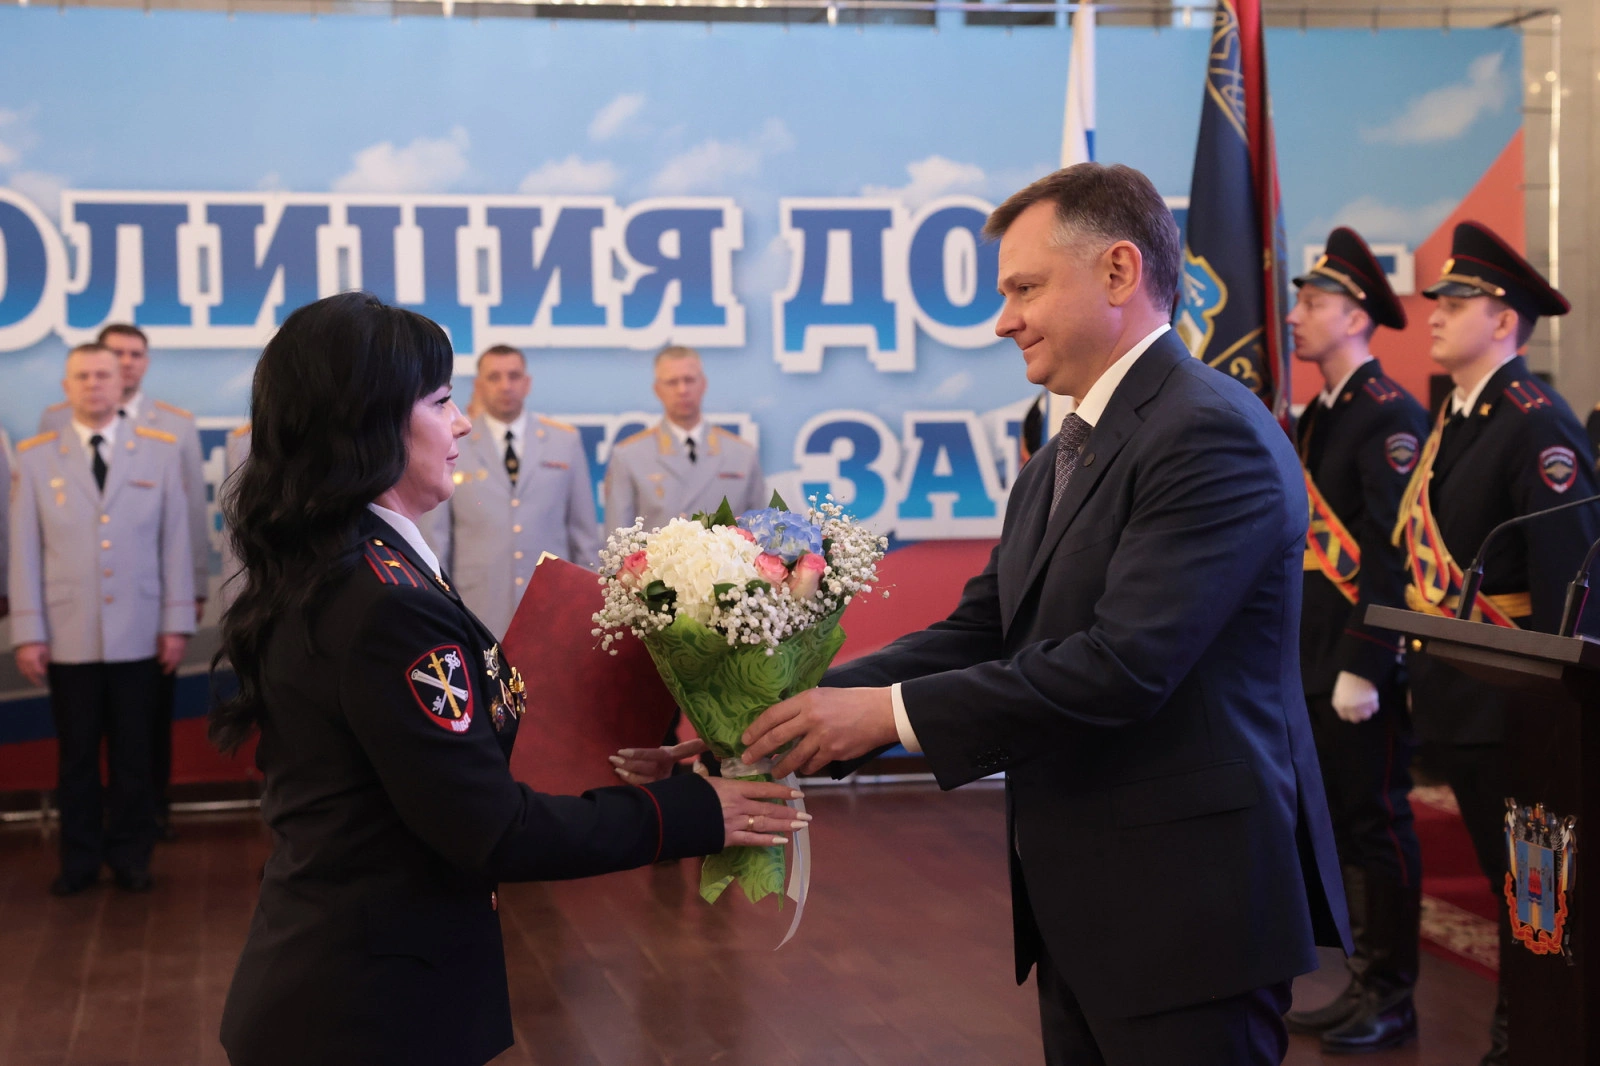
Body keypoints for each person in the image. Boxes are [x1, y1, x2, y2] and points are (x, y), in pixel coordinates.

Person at [734, 164, 1349, 1065]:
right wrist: (779, 712)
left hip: (1189, 914)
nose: (1003, 320)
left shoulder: (1208, 431)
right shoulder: (1063, 454)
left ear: (1118, 272)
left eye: (1025, 289)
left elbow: (1124, 665)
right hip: (1087, 907)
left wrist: (884, 715)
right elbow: (983, 630)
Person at [211, 292, 802, 1066]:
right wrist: (693, 812)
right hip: (366, 1013)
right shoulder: (387, 604)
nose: (462, 424)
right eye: (441, 401)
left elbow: (429, 771)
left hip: (346, 984)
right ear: (372, 421)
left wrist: (609, 755)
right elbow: (491, 830)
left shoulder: (356, 564)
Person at [1401, 220, 1598, 1066]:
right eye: (1438, 301)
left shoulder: (1534, 424)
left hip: (1520, 714)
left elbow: (1569, 585)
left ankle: (1534, 1034)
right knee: (1507, 880)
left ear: (1505, 320)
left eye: (1457, 302)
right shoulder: (1458, 416)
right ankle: (1523, 1025)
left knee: (1536, 888)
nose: (1437, 314)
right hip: (1465, 699)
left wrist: (1561, 717)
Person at [1280, 228, 1427, 1053]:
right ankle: (1362, 980)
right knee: (1338, 823)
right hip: (1311, 658)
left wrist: (1367, 661)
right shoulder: (1324, 415)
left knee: (1376, 823)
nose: (1295, 316)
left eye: (1313, 302)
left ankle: (1391, 993)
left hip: (1354, 663)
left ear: (1357, 317)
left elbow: (1393, 551)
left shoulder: (1388, 415)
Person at [10, 343, 195, 896]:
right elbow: (24, 552)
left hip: (140, 632)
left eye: (103, 375)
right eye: (83, 376)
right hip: (67, 636)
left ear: (122, 384)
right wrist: (28, 632)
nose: (93, 384)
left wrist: (175, 624)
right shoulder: (37, 458)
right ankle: (80, 859)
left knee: (135, 755)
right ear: (66, 387)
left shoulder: (159, 452)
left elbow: (175, 544)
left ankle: (132, 856)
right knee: (77, 758)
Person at [41, 323, 209, 840]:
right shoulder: (54, 423)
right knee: (82, 739)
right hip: (78, 615)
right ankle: (92, 838)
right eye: (115, 354)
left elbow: (186, 520)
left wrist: (191, 592)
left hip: (147, 603)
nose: (124, 363)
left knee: (146, 722)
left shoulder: (174, 426)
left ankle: (149, 814)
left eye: (135, 354)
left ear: (143, 363)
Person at [421, 345, 600, 639]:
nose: (505, 386)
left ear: (527, 383)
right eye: (494, 377)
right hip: (477, 609)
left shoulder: (564, 441)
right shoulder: (454, 441)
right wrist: (440, 606)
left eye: (514, 376)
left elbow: (583, 536)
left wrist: (587, 608)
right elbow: (437, 538)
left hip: (552, 609)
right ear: (479, 385)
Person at [603, 345, 766, 533]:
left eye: (689, 380)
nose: (682, 390)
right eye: (672, 382)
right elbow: (617, 538)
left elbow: (760, 534)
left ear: (703, 384)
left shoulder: (742, 454)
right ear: (657, 389)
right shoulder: (629, 456)